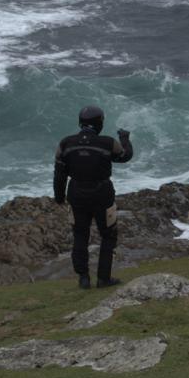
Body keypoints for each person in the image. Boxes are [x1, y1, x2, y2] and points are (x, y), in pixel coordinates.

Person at [54, 105, 133, 289]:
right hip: (102, 195)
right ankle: (103, 279)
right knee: (108, 236)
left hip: (76, 195)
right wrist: (125, 138)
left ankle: (83, 278)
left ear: (80, 123)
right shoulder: (107, 143)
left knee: (80, 235)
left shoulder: (65, 143)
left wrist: (59, 197)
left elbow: (59, 174)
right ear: (99, 123)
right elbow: (125, 156)